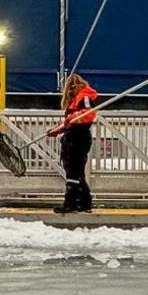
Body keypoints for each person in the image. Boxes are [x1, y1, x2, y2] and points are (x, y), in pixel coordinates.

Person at [51, 72, 98, 213]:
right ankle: (84, 203)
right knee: (77, 172)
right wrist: (57, 130)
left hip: (78, 138)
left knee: (73, 171)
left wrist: (69, 119)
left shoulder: (83, 97)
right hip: (75, 137)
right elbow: (70, 122)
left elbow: (88, 114)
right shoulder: (78, 98)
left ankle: (70, 203)